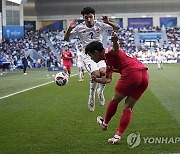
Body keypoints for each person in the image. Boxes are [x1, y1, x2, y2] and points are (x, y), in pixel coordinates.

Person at [85, 32, 149, 144]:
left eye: (91, 55)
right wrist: (97, 80)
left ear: (96, 52)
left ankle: (104, 124)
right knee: (128, 108)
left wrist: (115, 41)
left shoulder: (108, 52)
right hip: (144, 76)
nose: (91, 58)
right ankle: (117, 136)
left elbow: (115, 49)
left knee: (115, 100)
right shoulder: (107, 62)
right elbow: (108, 79)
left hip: (132, 73)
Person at [64, 7, 120, 111]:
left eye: (91, 17)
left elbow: (117, 28)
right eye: (86, 18)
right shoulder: (79, 27)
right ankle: (91, 96)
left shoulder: (100, 24)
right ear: (83, 18)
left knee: (104, 72)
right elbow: (66, 39)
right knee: (96, 74)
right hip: (88, 55)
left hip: (100, 53)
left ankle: (100, 92)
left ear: (94, 16)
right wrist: (69, 29)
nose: (89, 19)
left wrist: (108, 22)